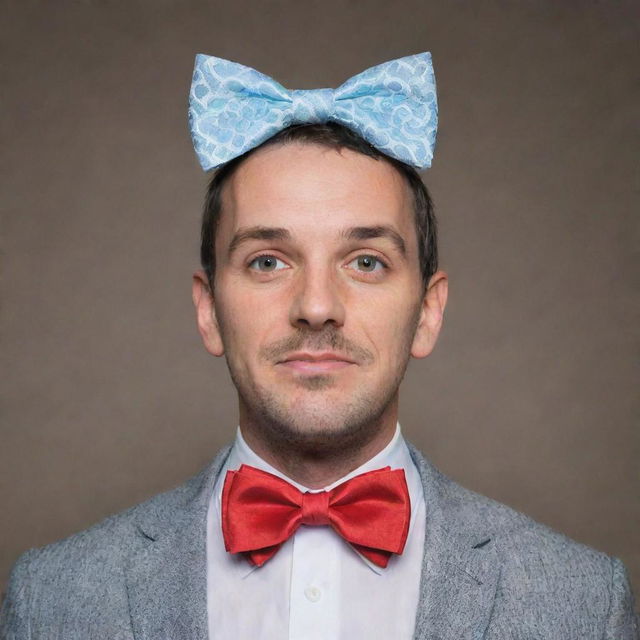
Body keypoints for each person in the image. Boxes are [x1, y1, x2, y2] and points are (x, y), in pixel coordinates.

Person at [1, 53, 637, 640]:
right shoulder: (51, 600)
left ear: (427, 313)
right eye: (268, 261)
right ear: (208, 310)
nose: (316, 307)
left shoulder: (585, 603)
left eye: (365, 261)